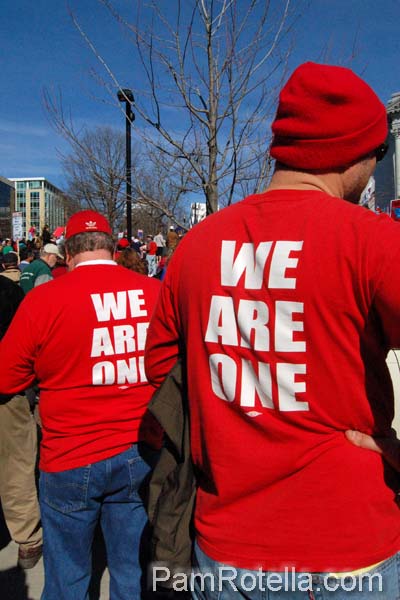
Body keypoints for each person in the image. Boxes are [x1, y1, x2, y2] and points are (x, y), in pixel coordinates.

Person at [145, 62, 400, 598]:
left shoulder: (193, 248)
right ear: (352, 154)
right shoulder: (374, 242)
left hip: (225, 550)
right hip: (349, 549)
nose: (374, 172)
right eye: (377, 156)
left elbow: (159, 371)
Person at [0, 210, 162, 599]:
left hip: (69, 455)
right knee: (131, 571)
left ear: (69, 254)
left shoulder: (44, 299)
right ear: (110, 246)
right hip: (139, 448)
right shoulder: (154, 292)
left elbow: (7, 377)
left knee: (68, 578)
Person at [0, 276, 43, 570]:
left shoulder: (8, 290)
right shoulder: (8, 290)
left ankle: (28, 539)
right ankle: (27, 538)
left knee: (16, 464)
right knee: (16, 464)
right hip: (8, 388)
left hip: (8, 388)